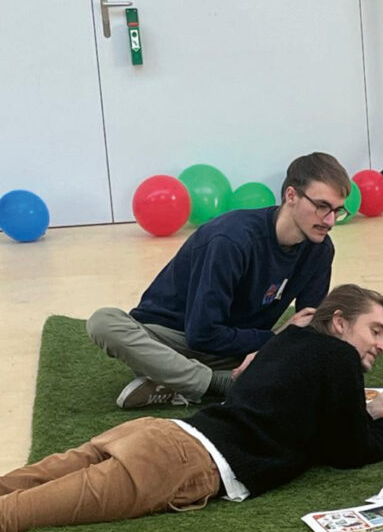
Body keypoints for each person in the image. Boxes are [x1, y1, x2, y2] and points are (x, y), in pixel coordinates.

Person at [0, 284, 383, 532]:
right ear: (340, 322)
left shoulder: (288, 341)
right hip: (182, 461)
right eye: (375, 331)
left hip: (159, 435)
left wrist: (368, 411)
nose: (382, 346)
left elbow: (311, 417)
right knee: (15, 515)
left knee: (22, 484)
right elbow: (348, 451)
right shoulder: (340, 358)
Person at [88, 152, 350, 409]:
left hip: (234, 348)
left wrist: (299, 341)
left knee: (306, 355)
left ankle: (173, 381)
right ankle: (219, 384)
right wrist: (274, 340)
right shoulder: (232, 240)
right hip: (172, 339)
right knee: (104, 322)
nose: (330, 221)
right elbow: (201, 334)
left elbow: (311, 328)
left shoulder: (320, 249)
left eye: (337, 211)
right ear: (291, 196)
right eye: (322, 206)